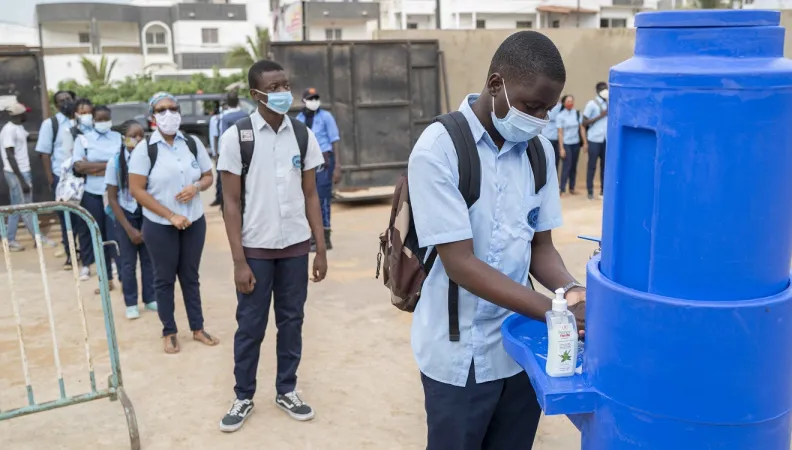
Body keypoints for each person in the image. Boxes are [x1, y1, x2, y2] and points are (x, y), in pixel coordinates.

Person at [407, 31, 587, 450]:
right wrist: (554, 312)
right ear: (495, 84)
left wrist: (570, 290)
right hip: (458, 357)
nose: (540, 118)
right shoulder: (440, 148)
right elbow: (460, 263)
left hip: (518, 349)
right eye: (531, 106)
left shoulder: (538, 152)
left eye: (548, 109)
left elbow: (540, 248)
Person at [216, 60, 327, 433]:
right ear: (255, 94)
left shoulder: (301, 134)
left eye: (285, 85)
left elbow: (311, 193)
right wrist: (238, 261)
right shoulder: (237, 138)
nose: (283, 93)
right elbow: (230, 203)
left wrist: (320, 247)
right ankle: (243, 395)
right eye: (274, 87)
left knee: (292, 321)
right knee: (250, 325)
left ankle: (287, 389)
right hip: (256, 250)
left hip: (295, 246)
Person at [128, 92, 219, 354]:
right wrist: (170, 215)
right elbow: (137, 190)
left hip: (194, 221)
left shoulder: (191, 143)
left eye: (173, 108)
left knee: (191, 276)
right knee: (164, 279)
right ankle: (169, 331)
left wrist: (196, 187)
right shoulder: (146, 149)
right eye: (161, 110)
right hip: (160, 225)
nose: (169, 114)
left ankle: (198, 328)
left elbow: (207, 175)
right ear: (152, 117)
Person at [105, 120, 158, 320]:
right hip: (125, 214)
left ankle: (150, 297)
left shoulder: (148, 159)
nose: (138, 139)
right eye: (133, 136)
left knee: (148, 259)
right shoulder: (115, 163)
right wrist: (129, 229)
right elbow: (112, 198)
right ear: (123, 138)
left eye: (141, 136)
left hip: (145, 212)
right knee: (127, 262)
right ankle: (131, 302)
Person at [72, 104, 121, 286]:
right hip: (92, 193)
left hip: (114, 193)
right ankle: (103, 275)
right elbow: (79, 166)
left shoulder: (118, 137)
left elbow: (122, 163)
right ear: (92, 120)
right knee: (95, 231)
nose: (103, 122)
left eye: (105, 119)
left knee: (114, 232)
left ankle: (116, 267)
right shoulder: (83, 140)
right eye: (98, 119)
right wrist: (109, 165)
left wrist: (93, 167)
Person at [1, 102, 58, 251]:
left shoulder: (19, 127)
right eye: (24, 112)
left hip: (21, 172)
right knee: (27, 206)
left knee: (16, 207)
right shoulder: (9, 130)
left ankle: (10, 240)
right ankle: (38, 238)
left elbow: (29, 137)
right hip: (16, 174)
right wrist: (22, 181)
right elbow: (9, 156)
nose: (27, 115)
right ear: (17, 115)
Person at [295, 87, 341, 251]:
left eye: (316, 98)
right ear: (304, 101)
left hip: (324, 162)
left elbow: (334, 141)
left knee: (323, 200)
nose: (314, 101)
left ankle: (325, 238)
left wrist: (337, 166)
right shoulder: (299, 119)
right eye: (310, 98)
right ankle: (313, 236)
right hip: (307, 164)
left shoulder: (326, 117)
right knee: (307, 200)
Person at [35, 90, 77, 267]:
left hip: (81, 176)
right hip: (61, 177)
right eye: (61, 100)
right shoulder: (50, 124)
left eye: (68, 99)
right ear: (56, 105)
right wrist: (51, 179)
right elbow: (44, 153)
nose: (66, 102)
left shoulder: (81, 119)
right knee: (66, 217)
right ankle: (71, 254)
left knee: (83, 218)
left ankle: (87, 253)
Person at [557, 95, 588, 196]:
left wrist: (585, 142)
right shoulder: (560, 116)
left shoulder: (577, 114)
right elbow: (560, 133)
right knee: (567, 165)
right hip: (566, 144)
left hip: (575, 143)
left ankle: (572, 187)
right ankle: (562, 189)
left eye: (572, 101)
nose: (570, 103)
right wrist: (561, 148)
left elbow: (581, 129)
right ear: (564, 103)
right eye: (568, 101)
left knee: (574, 166)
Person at [582, 82, 608, 200]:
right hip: (594, 139)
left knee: (605, 166)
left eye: (606, 88)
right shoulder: (592, 104)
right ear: (598, 91)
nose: (605, 91)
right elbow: (584, 122)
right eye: (603, 89)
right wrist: (600, 116)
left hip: (606, 139)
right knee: (592, 165)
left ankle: (603, 191)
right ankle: (590, 191)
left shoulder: (610, 103)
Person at [540, 100, 562, 175]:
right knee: (546, 159)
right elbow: (551, 116)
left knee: (556, 160)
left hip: (558, 138)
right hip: (547, 137)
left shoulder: (561, 106)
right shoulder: (547, 106)